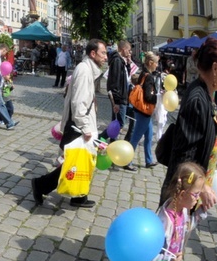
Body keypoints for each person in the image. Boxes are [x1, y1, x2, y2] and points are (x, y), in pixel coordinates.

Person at [100, 38, 217, 261]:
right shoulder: (197, 100)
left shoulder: (205, 94)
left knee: (173, 247)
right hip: (181, 192)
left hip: (189, 191)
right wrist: (200, 187)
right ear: (215, 67)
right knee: (158, 247)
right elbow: (184, 154)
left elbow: (198, 140)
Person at [31, 39, 107, 208]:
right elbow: (78, 102)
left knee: (80, 161)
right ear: (93, 53)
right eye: (103, 53)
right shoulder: (84, 70)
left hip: (81, 123)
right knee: (73, 162)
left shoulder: (89, 69)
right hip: (78, 125)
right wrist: (86, 127)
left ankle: (78, 196)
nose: (106, 57)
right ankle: (41, 185)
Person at [125, 52, 160, 171]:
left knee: (149, 135)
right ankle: (127, 160)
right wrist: (158, 97)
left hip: (141, 111)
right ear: (151, 63)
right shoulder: (149, 76)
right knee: (136, 137)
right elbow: (148, 97)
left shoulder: (143, 73)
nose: (157, 65)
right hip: (144, 111)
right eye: (156, 63)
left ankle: (149, 160)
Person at [102, 41, 131, 140]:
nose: (129, 53)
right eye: (129, 50)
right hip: (119, 97)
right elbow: (115, 82)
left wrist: (128, 65)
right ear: (124, 49)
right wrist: (116, 102)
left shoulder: (121, 61)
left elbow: (126, 77)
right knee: (119, 123)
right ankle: (100, 138)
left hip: (122, 96)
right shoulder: (117, 61)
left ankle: (111, 144)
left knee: (116, 122)